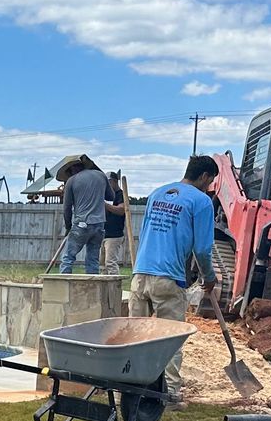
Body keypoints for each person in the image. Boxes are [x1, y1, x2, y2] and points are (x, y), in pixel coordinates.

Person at [129, 154, 220, 401]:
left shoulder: (157, 193)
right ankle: (168, 395)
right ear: (204, 176)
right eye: (210, 181)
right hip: (168, 279)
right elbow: (202, 249)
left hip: (140, 274)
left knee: (134, 337)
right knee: (171, 339)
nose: (209, 186)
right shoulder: (201, 202)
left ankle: (128, 389)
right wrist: (209, 277)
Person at [54, 154, 109, 274]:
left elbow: (67, 208)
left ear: (72, 169)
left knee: (68, 257)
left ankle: (63, 286)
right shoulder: (100, 175)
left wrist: (68, 227)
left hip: (81, 224)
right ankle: (93, 288)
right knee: (93, 260)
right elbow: (111, 196)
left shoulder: (71, 181)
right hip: (99, 224)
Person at [100, 171, 128, 272]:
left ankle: (115, 287)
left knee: (110, 263)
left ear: (115, 181)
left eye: (108, 182)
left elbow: (121, 210)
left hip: (114, 235)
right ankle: (104, 287)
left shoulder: (120, 195)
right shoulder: (105, 194)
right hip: (102, 233)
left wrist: (104, 205)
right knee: (102, 265)